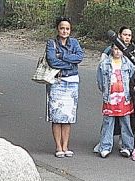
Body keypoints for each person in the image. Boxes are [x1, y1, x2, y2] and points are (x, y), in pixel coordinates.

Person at [45, 17, 83, 158]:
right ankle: (58, 146)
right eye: (62, 28)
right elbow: (52, 61)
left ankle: (66, 145)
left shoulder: (74, 43)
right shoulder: (51, 43)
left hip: (72, 81)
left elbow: (79, 57)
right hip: (57, 81)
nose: (65, 31)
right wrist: (69, 63)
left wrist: (62, 56)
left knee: (68, 116)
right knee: (56, 115)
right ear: (58, 29)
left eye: (67, 28)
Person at [95, 45, 135, 158]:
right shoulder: (104, 64)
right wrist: (106, 92)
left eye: (120, 49)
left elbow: (132, 78)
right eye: (115, 49)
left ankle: (127, 146)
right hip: (110, 98)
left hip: (124, 98)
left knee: (126, 122)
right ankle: (105, 146)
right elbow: (100, 81)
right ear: (112, 49)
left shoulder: (128, 63)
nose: (118, 52)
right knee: (108, 122)